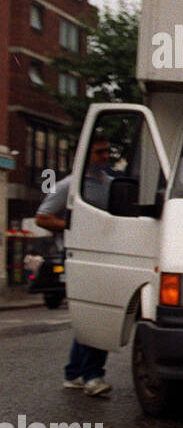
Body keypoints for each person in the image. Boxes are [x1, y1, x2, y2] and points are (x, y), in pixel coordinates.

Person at [35, 138, 114, 396]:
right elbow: (43, 217)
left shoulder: (110, 185)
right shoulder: (69, 186)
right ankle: (92, 376)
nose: (105, 156)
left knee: (89, 317)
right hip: (80, 257)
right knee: (98, 316)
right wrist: (74, 225)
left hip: (108, 257)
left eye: (107, 152)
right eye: (99, 152)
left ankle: (74, 373)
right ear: (84, 155)